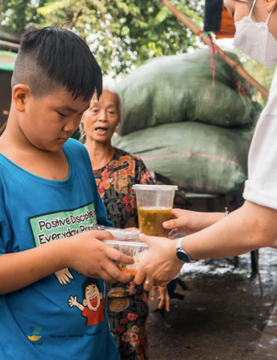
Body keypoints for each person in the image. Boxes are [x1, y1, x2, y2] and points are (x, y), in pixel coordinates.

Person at [135, 0, 277, 359]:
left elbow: (260, 225)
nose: (237, 24)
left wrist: (178, 252)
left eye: (234, 8)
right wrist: (206, 221)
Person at [0, 27, 134, 359]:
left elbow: (95, 229)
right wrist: (65, 253)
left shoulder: (76, 155)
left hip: (93, 348)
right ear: (21, 97)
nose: (72, 125)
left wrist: (123, 241)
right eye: (63, 113)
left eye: (80, 113)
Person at [82, 88, 169, 360]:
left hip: (127, 282)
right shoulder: (66, 164)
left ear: (119, 119)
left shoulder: (133, 167)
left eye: (111, 111)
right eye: (95, 109)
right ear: (81, 114)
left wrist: (160, 274)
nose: (103, 118)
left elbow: (155, 226)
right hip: (82, 286)